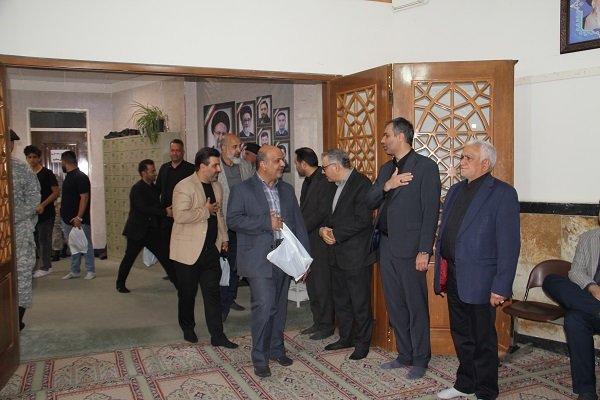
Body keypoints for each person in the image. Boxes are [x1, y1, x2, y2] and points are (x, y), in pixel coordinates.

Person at [434, 141, 520, 400]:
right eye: (462, 157)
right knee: (461, 334)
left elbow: (509, 244)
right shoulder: (455, 190)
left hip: (482, 279)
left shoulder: (503, 193)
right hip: (454, 274)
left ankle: (486, 390)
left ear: (485, 164)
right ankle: (465, 383)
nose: (461, 162)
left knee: (482, 337)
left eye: (468, 158)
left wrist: (501, 286)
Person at [365, 117, 441, 379]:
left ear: (400, 136)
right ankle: (404, 354)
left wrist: (424, 250)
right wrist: (388, 185)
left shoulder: (426, 167)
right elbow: (369, 200)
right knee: (395, 304)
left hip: (411, 249)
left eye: (386, 135)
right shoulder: (386, 169)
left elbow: (430, 212)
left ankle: (420, 358)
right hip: (386, 245)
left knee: (415, 305)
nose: (383, 140)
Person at [227, 145, 309, 378]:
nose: (283, 164)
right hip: (257, 258)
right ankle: (260, 357)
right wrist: (266, 223)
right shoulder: (242, 190)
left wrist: (305, 260)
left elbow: (298, 224)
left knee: (279, 307)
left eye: (283, 160)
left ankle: (276, 349)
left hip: (284, 257)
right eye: (278, 160)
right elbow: (233, 220)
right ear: (262, 164)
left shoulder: (287, 189)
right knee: (264, 305)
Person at [170, 147, 238, 348]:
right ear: (202, 166)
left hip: (211, 251)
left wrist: (224, 238)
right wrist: (205, 211)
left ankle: (217, 335)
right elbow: (180, 216)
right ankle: (187, 326)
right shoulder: (184, 186)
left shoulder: (217, 187)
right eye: (215, 165)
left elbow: (219, 215)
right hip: (188, 252)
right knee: (187, 294)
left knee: (213, 294)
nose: (219, 169)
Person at [320, 148, 374, 360]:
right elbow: (329, 217)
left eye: (325, 167)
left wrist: (336, 234)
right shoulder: (333, 186)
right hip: (336, 253)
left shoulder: (362, 184)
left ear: (336, 166)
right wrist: (323, 230)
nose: (323, 172)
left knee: (359, 302)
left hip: (356, 255)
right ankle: (346, 337)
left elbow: (363, 220)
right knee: (341, 300)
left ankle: (362, 343)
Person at [543, 211, 600, 400]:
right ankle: (587, 392)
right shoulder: (589, 238)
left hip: (585, 309)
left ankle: (586, 391)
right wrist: (592, 287)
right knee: (551, 280)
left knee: (573, 319)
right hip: (589, 303)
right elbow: (575, 272)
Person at [295, 147, 337, 340]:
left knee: (322, 284)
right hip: (308, 240)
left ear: (304, 163)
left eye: (296, 162)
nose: (296, 166)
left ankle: (327, 325)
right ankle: (318, 321)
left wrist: (301, 228)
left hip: (320, 240)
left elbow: (322, 212)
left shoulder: (324, 180)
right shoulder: (307, 181)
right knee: (311, 284)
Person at [116, 159, 176, 293]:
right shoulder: (137, 189)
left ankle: (179, 283)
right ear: (144, 173)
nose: (155, 173)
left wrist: (167, 209)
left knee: (165, 257)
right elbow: (143, 208)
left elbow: (156, 207)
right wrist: (164, 212)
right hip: (136, 231)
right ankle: (120, 284)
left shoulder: (154, 189)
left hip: (152, 232)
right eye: (152, 171)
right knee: (129, 258)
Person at [217, 134, 254, 320]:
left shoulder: (246, 166)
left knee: (236, 265)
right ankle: (221, 306)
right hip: (222, 225)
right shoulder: (215, 167)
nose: (239, 150)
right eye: (234, 147)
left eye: (239, 146)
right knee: (224, 266)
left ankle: (230, 298)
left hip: (243, 225)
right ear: (223, 148)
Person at [10, 130, 40, 330]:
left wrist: (12, 218)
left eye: (10, 142)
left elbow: (34, 198)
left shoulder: (21, 168)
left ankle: (17, 320)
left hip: (19, 231)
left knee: (21, 275)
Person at [156, 139, 195, 279]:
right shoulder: (164, 168)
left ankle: (185, 273)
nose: (175, 153)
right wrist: (162, 210)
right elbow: (157, 190)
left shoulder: (190, 169)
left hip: (184, 214)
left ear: (183, 152)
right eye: (172, 150)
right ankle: (172, 272)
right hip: (167, 215)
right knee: (168, 244)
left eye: (178, 150)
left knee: (184, 244)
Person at [24, 145, 59, 279]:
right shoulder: (26, 174)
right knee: (33, 242)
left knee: (44, 240)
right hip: (30, 214)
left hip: (46, 213)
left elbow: (55, 192)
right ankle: (34, 266)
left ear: (39, 158)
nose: (32, 160)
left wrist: (43, 204)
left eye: (34, 157)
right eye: (29, 157)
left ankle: (46, 267)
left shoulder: (47, 173)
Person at [60, 150, 96, 280]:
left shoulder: (81, 177)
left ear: (65, 161)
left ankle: (90, 270)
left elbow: (84, 198)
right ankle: (74, 270)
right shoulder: (69, 177)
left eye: (62, 162)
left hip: (80, 220)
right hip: (67, 219)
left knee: (86, 244)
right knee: (73, 245)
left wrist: (79, 217)